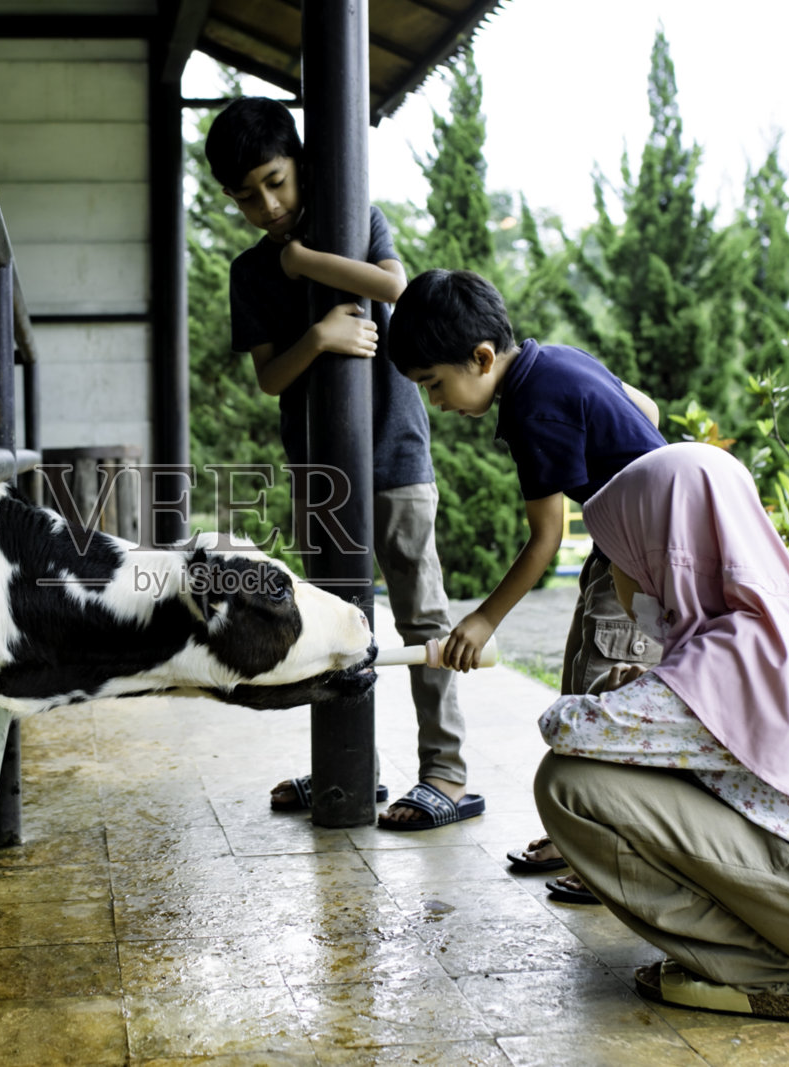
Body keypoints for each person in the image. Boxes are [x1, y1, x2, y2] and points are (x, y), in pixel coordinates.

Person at [532, 442, 789, 1022]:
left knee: (570, 782)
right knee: (606, 766)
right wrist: (650, 694)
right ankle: (758, 953)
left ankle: (766, 971)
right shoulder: (768, 629)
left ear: (667, 551)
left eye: (619, 553)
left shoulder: (737, 653)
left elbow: (564, 728)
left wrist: (621, 700)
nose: (613, 573)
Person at [205, 97, 477, 830]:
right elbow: (269, 377)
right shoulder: (248, 274)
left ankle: (446, 772)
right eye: (246, 196)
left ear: (299, 163)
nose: (265, 204)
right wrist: (320, 334)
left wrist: (306, 262)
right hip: (318, 476)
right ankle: (350, 765)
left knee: (422, 617)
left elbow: (396, 287)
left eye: (275, 181)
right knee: (329, 624)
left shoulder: (359, 224)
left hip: (396, 456)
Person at [387, 268, 666, 891]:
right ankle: (582, 834)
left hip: (641, 558)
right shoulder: (558, 360)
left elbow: (544, 539)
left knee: (602, 705)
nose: (437, 403)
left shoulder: (533, 407)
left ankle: (605, 855)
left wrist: (484, 619)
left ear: (482, 358)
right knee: (582, 686)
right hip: (628, 547)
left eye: (435, 383)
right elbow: (643, 407)